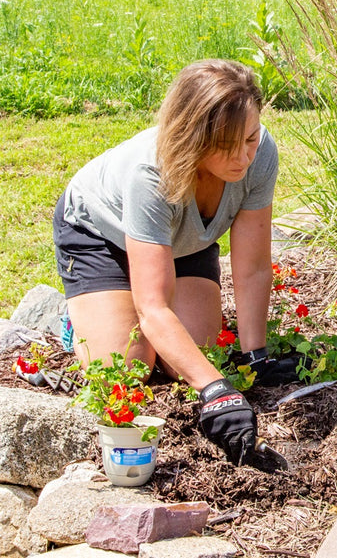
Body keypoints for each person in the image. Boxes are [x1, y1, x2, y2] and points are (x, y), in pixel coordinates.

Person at [52, 59, 298, 465]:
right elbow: (153, 308)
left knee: (197, 351)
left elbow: (253, 266)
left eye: (250, 138)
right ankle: (79, 315)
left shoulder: (260, 153)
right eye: (225, 145)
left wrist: (256, 357)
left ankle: (118, 303)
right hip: (101, 235)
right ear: (194, 138)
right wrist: (217, 393)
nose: (243, 158)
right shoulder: (152, 175)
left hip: (181, 243)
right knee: (128, 375)